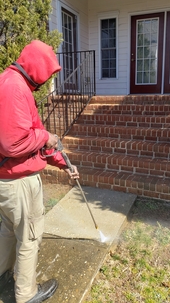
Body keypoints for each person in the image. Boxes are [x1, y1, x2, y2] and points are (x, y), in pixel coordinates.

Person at [0, 40, 79, 303]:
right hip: (19, 182)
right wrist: (46, 135)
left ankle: (1, 276)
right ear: (36, 66)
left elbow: (29, 144)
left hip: (9, 180)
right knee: (29, 238)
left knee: (9, 230)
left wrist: (63, 163)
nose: (46, 81)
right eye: (47, 74)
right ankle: (26, 295)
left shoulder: (10, 82)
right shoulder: (14, 88)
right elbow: (13, 144)